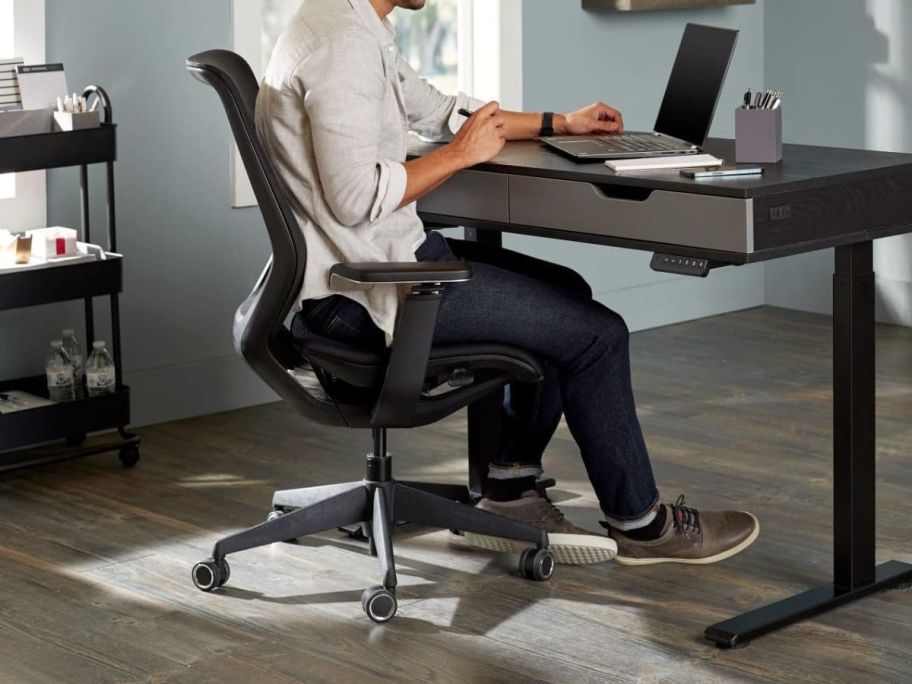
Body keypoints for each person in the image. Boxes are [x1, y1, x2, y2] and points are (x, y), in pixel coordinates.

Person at [256, 0, 759, 566]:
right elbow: (354, 197)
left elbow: (447, 111)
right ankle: (642, 524)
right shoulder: (341, 45)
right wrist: (458, 156)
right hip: (365, 294)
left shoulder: (350, 25)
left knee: (563, 291)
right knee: (597, 334)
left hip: (368, 264)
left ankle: (510, 486)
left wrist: (558, 123)